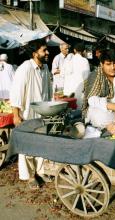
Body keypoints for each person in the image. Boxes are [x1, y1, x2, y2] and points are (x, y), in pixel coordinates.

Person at [10, 39, 52, 189]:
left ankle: (40, 171)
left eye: (46, 50)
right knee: (27, 147)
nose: (47, 53)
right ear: (35, 54)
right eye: (44, 50)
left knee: (41, 144)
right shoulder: (25, 68)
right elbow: (16, 93)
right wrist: (16, 115)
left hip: (42, 114)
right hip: (27, 114)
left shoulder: (45, 68)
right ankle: (29, 176)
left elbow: (48, 92)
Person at [62, 42, 90, 108]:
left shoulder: (67, 60)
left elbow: (62, 75)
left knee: (68, 111)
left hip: (68, 90)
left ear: (74, 50)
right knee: (78, 111)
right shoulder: (84, 61)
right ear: (84, 51)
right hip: (79, 90)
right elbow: (87, 78)